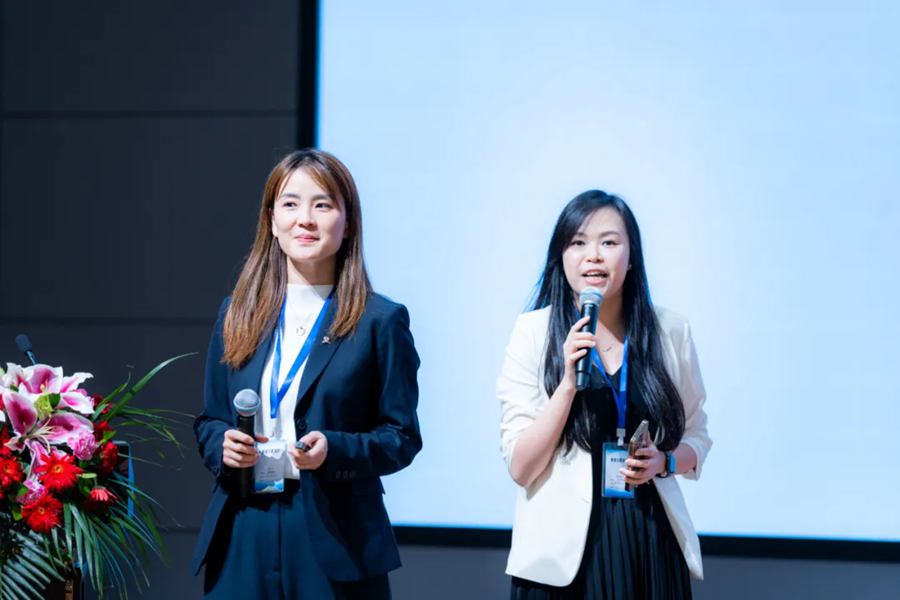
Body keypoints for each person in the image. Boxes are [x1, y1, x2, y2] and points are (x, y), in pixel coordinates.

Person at [192, 149, 422, 599]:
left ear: (348, 222)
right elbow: (210, 420)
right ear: (272, 220)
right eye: (290, 204)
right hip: (244, 526)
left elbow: (401, 437)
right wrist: (223, 445)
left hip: (336, 536)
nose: (305, 220)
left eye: (323, 205)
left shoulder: (379, 321)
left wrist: (334, 450)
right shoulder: (237, 314)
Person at [497, 190, 711, 599]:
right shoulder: (532, 333)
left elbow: (697, 435)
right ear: (561, 256)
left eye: (609, 242)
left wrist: (664, 462)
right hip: (561, 556)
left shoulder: (670, 331)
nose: (593, 256)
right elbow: (521, 467)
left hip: (648, 539)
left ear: (631, 258)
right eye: (578, 242)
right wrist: (567, 385)